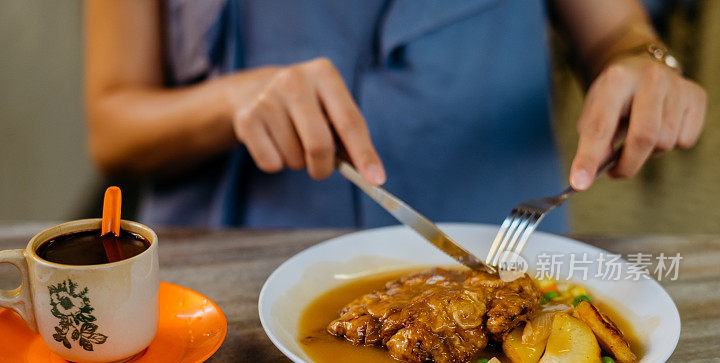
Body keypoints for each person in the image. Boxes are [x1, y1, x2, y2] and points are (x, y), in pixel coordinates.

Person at [85, 0, 706, 230]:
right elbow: (112, 123)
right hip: (234, 299)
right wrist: (228, 102)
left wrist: (646, 63)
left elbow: (618, 35)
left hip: (506, 263)